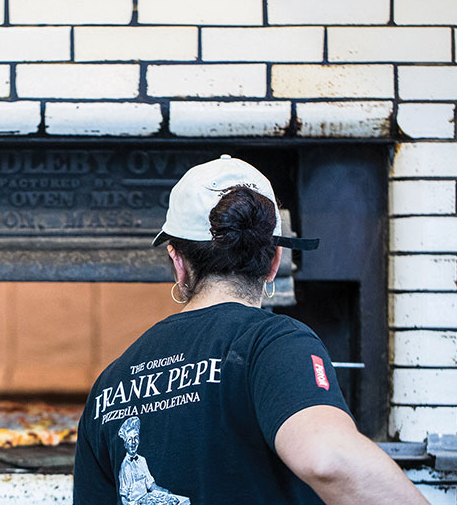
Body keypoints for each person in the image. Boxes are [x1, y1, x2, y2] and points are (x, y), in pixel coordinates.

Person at [73, 155, 428, 505]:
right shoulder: (273, 344)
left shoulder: (111, 383)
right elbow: (329, 459)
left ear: (178, 262)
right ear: (274, 261)